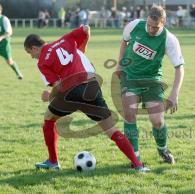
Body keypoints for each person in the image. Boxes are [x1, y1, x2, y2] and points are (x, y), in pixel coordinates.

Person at [24, 25, 149, 172]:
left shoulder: (42, 62)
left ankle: (53, 161)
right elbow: (85, 28)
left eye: (29, 53)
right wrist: (82, 49)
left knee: (49, 119)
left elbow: (57, 86)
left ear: (34, 48)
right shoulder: (66, 39)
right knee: (112, 130)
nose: (32, 57)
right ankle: (138, 165)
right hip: (92, 87)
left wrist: (48, 96)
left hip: (71, 92)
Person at [117, 5, 184, 165]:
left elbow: (179, 68)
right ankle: (135, 159)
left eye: (155, 27)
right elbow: (124, 43)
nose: (151, 29)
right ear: (146, 19)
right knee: (129, 114)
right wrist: (120, 65)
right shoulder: (133, 26)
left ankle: (163, 149)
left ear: (164, 22)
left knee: (157, 120)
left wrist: (174, 94)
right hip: (130, 77)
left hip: (152, 80)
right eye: (149, 25)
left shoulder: (169, 39)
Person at [0, 4, 23, 79]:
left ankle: (18, 73)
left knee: (9, 61)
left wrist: (1, 37)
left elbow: (9, 32)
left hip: (4, 45)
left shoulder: (4, 19)